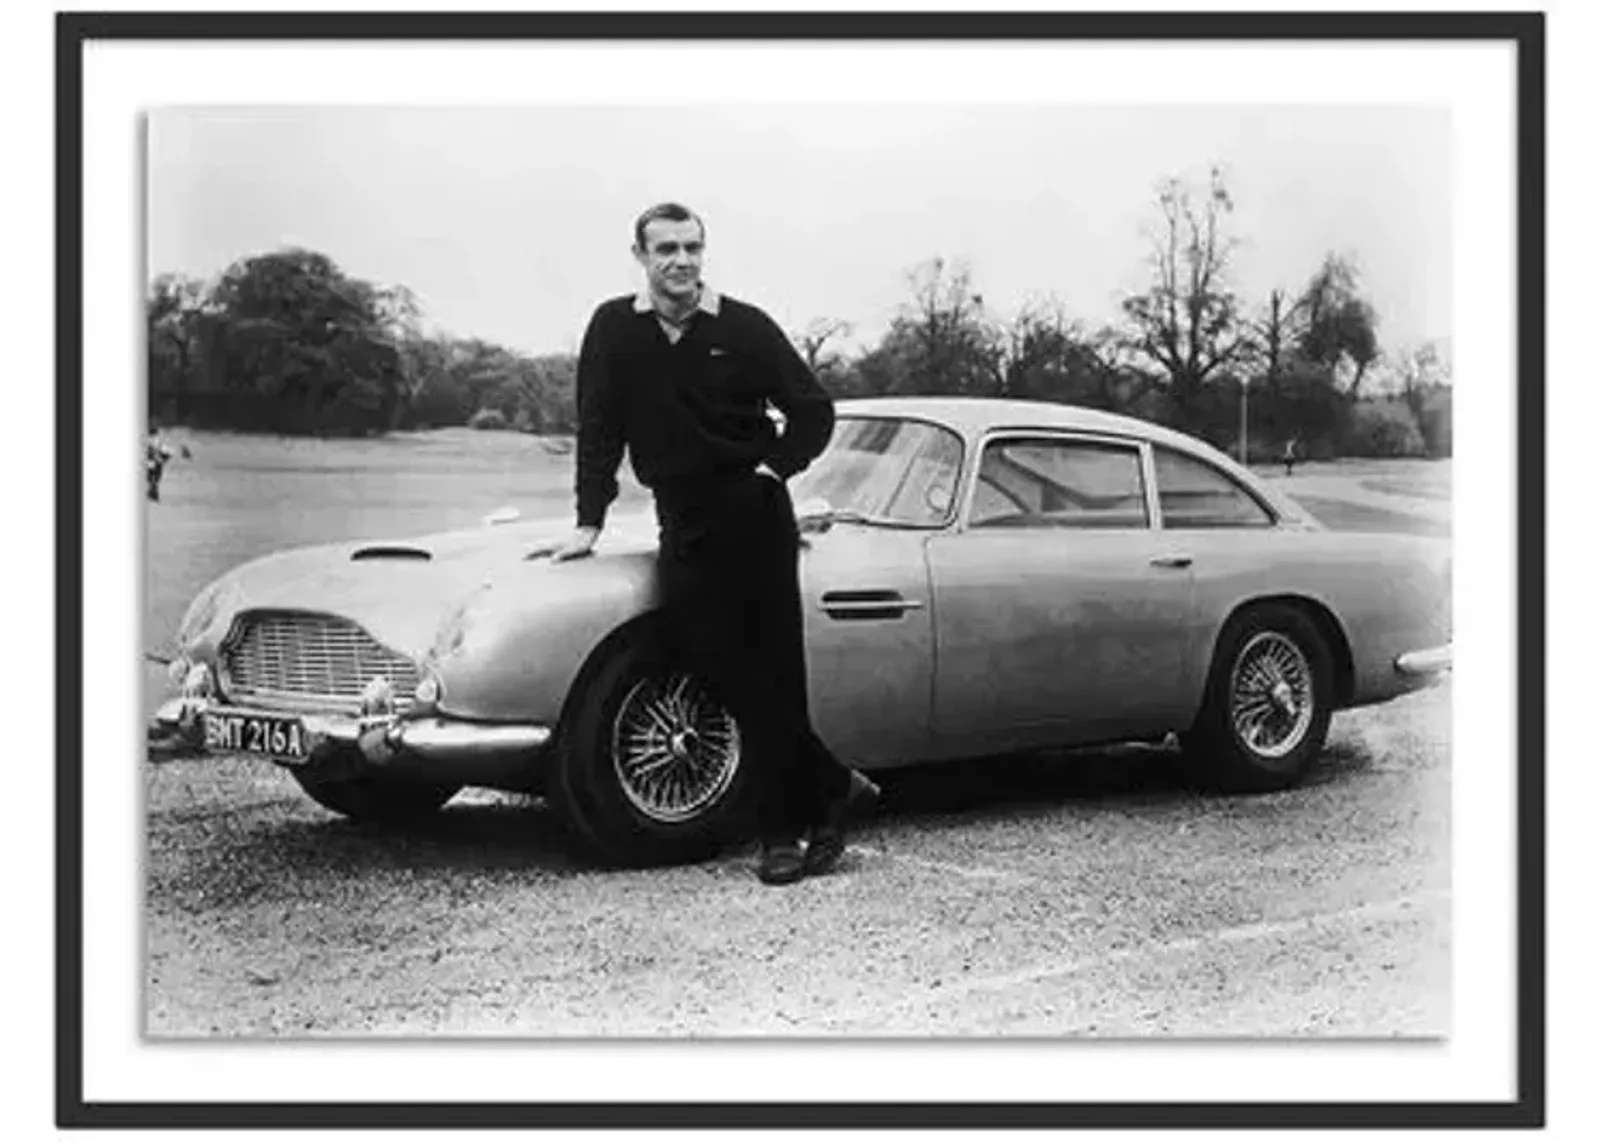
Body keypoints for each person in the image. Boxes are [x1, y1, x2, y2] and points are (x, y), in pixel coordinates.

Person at [552, 202, 877, 885]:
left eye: (692, 247)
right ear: (639, 254)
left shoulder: (745, 325)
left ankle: (782, 832)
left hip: (755, 513)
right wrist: (590, 522)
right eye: (665, 248)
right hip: (684, 517)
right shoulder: (615, 328)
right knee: (712, 660)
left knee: (776, 671)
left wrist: (774, 466)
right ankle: (831, 782)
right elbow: (599, 428)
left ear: (705, 252)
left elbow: (814, 410)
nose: (681, 261)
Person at [147, 426, 174, 501]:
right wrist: (162, 459)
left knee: (152, 479)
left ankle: (152, 494)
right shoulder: (157, 441)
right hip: (156, 462)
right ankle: (153, 494)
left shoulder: (149, 440)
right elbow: (168, 452)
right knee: (155, 479)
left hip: (151, 462)